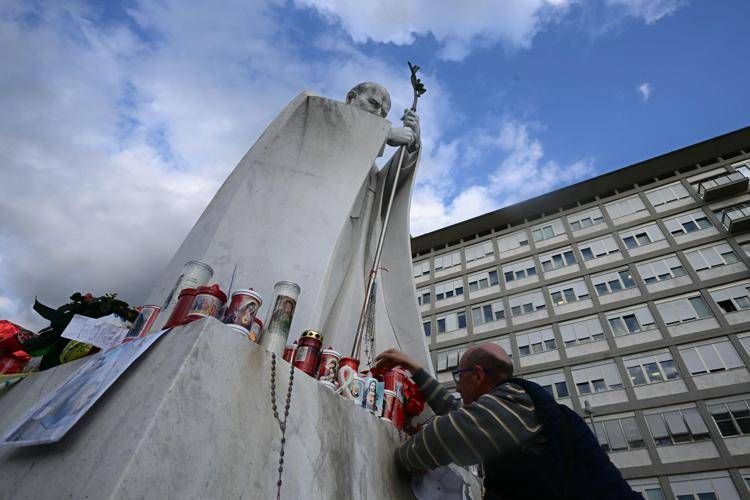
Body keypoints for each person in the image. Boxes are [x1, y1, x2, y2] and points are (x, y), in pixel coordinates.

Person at [374, 344, 641, 500]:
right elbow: (456, 409)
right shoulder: (514, 407)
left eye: (459, 375)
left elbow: (437, 440)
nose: (457, 384)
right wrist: (415, 368)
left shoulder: (514, 402)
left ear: (477, 375)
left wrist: (404, 458)